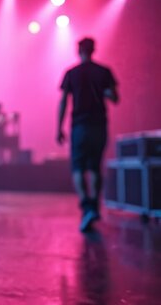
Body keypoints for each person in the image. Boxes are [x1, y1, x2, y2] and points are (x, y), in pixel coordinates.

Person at [57, 37, 118, 232]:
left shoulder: (71, 73)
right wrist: (106, 93)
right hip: (99, 125)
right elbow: (115, 98)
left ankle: (87, 207)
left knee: (78, 167)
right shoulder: (104, 72)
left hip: (80, 126)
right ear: (94, 50)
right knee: (95, 167)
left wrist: (58, 127)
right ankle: (94, 205)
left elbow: (64, 102)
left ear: (78, 51)